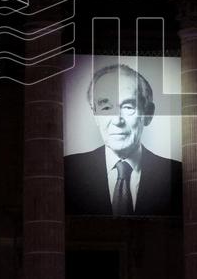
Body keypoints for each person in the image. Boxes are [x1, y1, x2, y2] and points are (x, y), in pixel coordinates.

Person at [65, 64, 181, 216]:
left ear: (148, 114)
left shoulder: (179, 177)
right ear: (95, 116)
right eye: (106, 108)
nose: (117, 120)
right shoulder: (66, 172)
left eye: (128, 107)